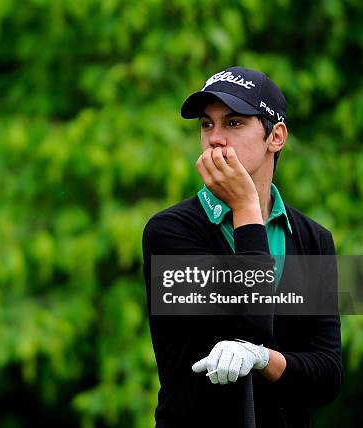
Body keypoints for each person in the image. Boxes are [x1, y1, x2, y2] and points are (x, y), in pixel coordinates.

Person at [142, 66, 342, 427]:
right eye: (206, 125)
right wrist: (247, 210)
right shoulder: (170, 232)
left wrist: (264, 359)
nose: (215, 139)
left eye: (233, 123)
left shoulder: (313, 238)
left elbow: (326, 377)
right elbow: (249, 326)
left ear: (276, 136)